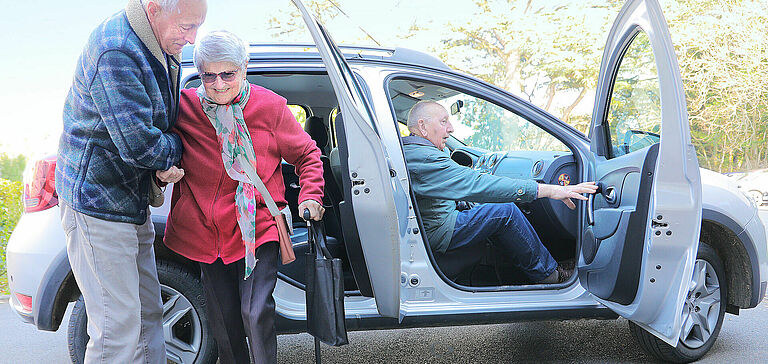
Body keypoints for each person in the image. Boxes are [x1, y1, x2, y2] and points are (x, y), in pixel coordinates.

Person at [56, 0, 206, 362]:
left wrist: (164, 151)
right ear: (154, 9)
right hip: (98, 206)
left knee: (148, 313)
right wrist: (177, 150)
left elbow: (157, 126)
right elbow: (140, 145)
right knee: (118, 330)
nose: (192, 37)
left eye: (197, 26)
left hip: (129, 200)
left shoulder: (159, 39)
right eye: (186, 26)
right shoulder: (116, 50)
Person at [163, 30, 325, 364]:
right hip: (207, 231)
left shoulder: (271, 108)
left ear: (245, 67)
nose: (218, 84)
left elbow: (308, 154)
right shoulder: (184, 108)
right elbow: (162, 146)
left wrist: (311, 194)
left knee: (254, 312)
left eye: (227, 74)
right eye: (209, 75)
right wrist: (162, 169)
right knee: (223, 322)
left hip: (259, 225)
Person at [402, 101, 598, 284]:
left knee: (489, 210)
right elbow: (477, 184)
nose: (451, 128)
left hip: (435, 224)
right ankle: (551, 275)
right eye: (443, 121)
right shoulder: (425, 158)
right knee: (505, 212)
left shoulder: (416, 151)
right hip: (440, 231)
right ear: (423, 126)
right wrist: (550, 190)